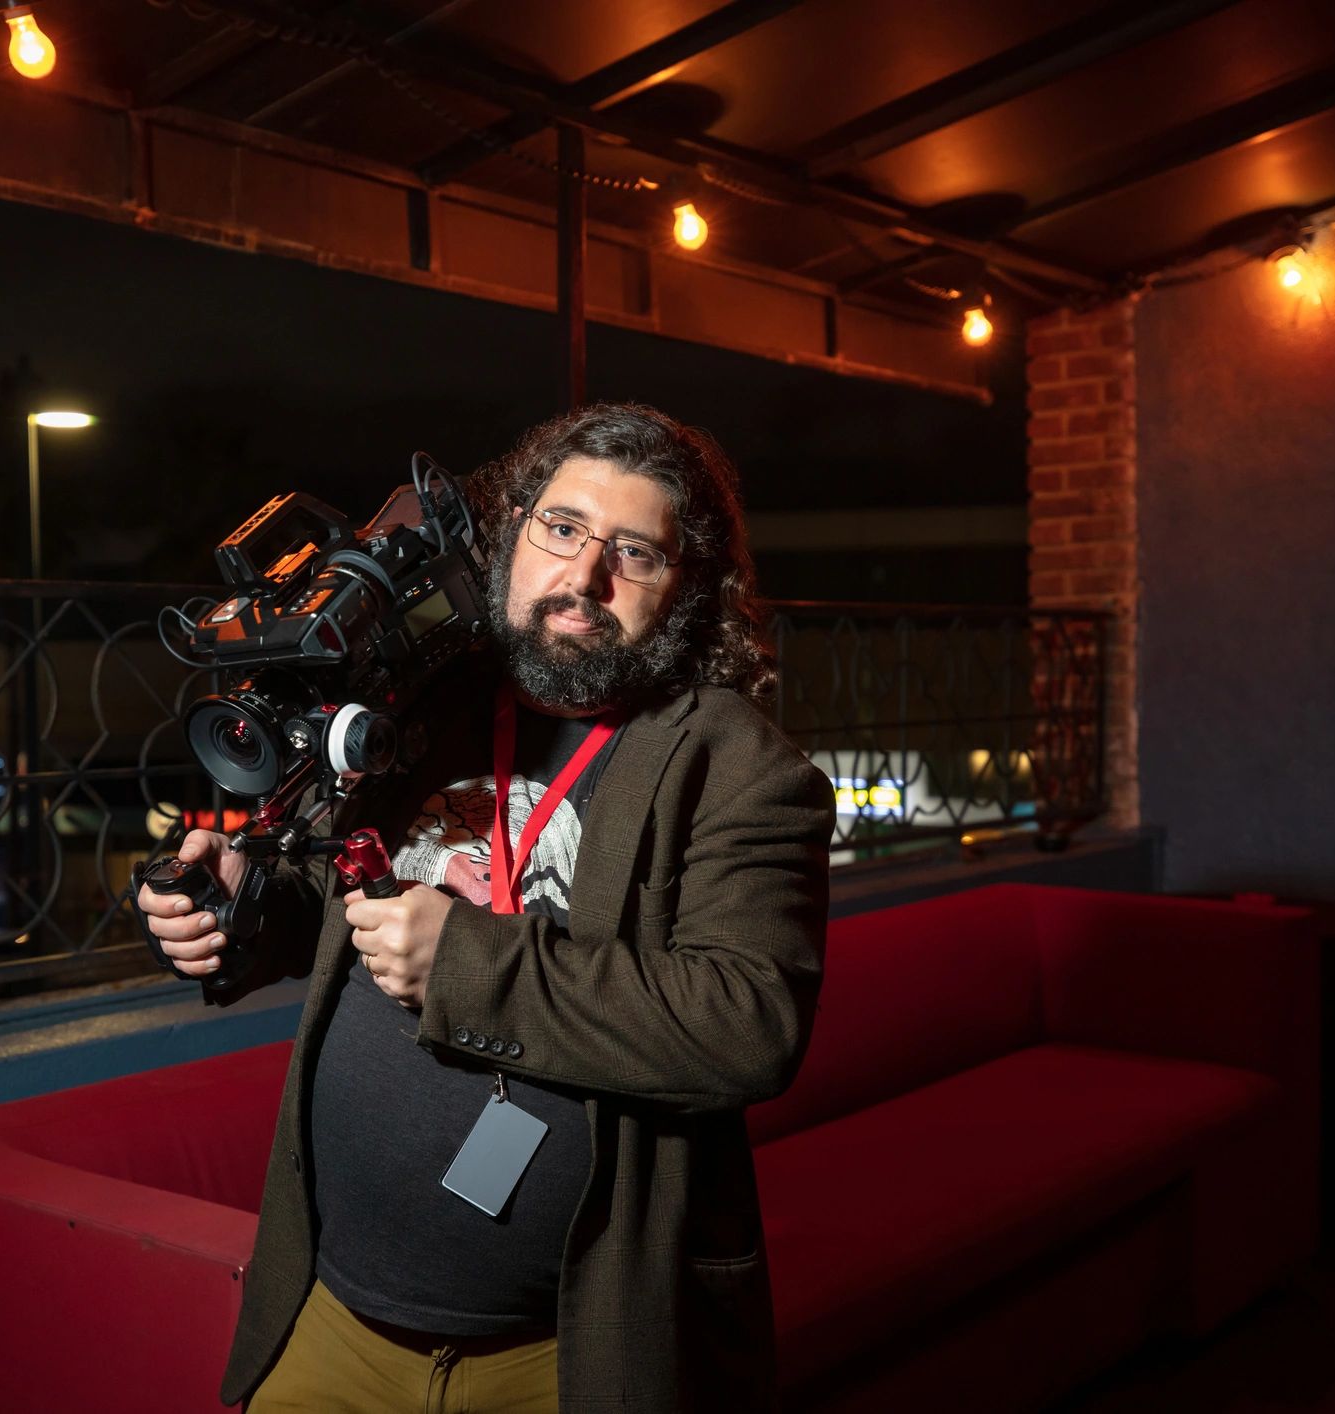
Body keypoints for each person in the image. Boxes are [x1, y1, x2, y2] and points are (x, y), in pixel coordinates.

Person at [139, 402, 833, 1412]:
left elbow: (749, 1023)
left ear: (685, 594)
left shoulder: (738, 768)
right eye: (561, 528)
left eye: (633, 553)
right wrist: (244, 908)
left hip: (564, 1354)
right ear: (512, 535)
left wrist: (465, 964)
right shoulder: (429, 700)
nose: (584, 576)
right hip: (329, 1315)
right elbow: (336, 895)